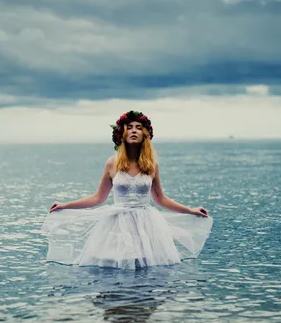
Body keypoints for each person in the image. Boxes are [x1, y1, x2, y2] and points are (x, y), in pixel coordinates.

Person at [41, 110, 213, 269]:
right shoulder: (112, 163)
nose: (134, 130)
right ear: (121, 133)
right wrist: (65, 205)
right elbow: (97, 198)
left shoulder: (151, 165)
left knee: (145, 269)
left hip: (147, 225)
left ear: (144, 134)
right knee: (116, 267)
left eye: (138, 128)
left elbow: (161, 199)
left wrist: (191, 210)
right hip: (117, 225)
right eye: (129, 127)